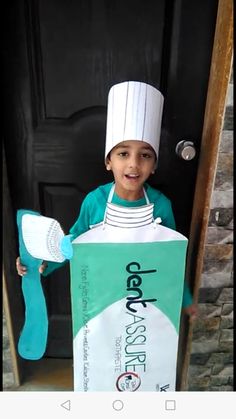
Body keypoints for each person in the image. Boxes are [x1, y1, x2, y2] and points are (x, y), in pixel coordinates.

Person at [16, 80, 197, 321]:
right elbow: (73, 243)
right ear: (108, 161)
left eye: (145, 155)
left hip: (144, 300)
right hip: (102, 298)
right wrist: (43, 264)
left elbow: (171, 261)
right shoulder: (95, 202)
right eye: (123, 154)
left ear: (153, 166)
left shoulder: (161, 206)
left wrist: (185, 299)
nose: (133, 163)